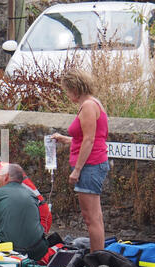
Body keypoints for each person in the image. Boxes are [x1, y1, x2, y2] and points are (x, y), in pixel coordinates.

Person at [51, 68, 109, 253]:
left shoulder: (89, 106)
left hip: (90, 166)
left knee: (91, 218)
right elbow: (88, 137)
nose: (67, 95)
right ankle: (97, 258)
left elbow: (90, 140)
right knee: (95, 217)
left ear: (75, 88)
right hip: (94, 163)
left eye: (67, 90)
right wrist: (65, 139)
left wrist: (77, 170)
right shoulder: (93, 104)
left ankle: (96, 261)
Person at [0, 163, 49, 261]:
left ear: (6, 177)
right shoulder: (32, 195)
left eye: (0, 178)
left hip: (10, 251)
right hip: (37, 250)